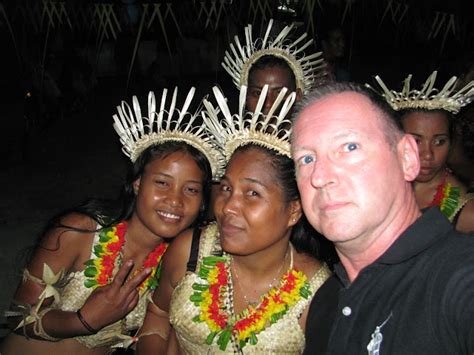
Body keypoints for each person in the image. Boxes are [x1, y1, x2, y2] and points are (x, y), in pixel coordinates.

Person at [0, 88, 225, 355]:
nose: (175, 200)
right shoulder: (82, 232)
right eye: (162, 182)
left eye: (191, 189)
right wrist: (84, 319)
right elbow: (17, 316)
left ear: (202, 202)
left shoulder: (178, 258)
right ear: (138, 183)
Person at [136, 85, 331, 354]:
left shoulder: (317, 293)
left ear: (294, 211)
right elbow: (158, 314)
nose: (228, 207)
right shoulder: (190, 250)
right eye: (226, 189)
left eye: (252, 193)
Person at [291, 82, 474, 354]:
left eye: (349, 147)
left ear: (407, 158)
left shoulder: (456, 277)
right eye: (306, 159)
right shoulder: (324, 302)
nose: (319, 176)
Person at [370, 71, 474, 232]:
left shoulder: (466, 213)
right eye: (416, 141)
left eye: (439, 141)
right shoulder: (372, 182)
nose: (428, 154)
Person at [222, 19, 326, 113]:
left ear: (297, 96)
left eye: (280, 93)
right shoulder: (230, 134)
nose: (268, 104)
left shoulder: (309, 133)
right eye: (258, 93)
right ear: (245, 96)